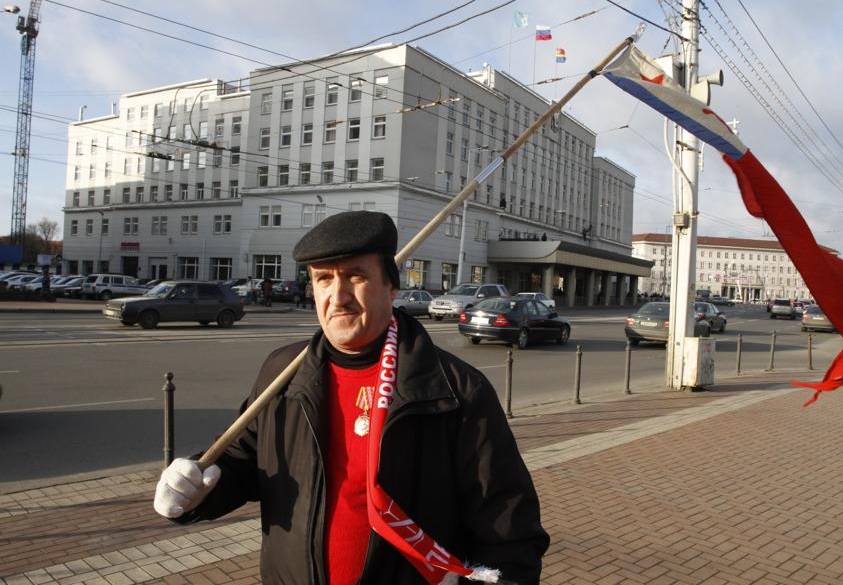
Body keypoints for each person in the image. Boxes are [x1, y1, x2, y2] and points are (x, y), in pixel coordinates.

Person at [153, 211, 548, 584]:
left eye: (355, 276)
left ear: (391, 286)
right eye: (323, 279)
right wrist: (196, 491)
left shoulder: (454, 390)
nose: (337, 296)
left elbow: (510, 535)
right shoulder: (283, 373)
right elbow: (243, 461)